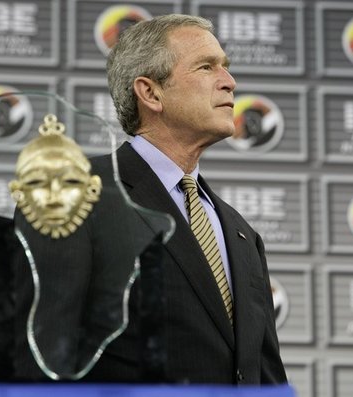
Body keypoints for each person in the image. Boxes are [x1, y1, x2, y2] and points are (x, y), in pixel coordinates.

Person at [80, 14, 287, 385]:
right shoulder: (82, 191)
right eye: (207, 67)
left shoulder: (241, 233)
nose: (230, 82)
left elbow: (264, 372)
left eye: (226, 68)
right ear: (151, 93)